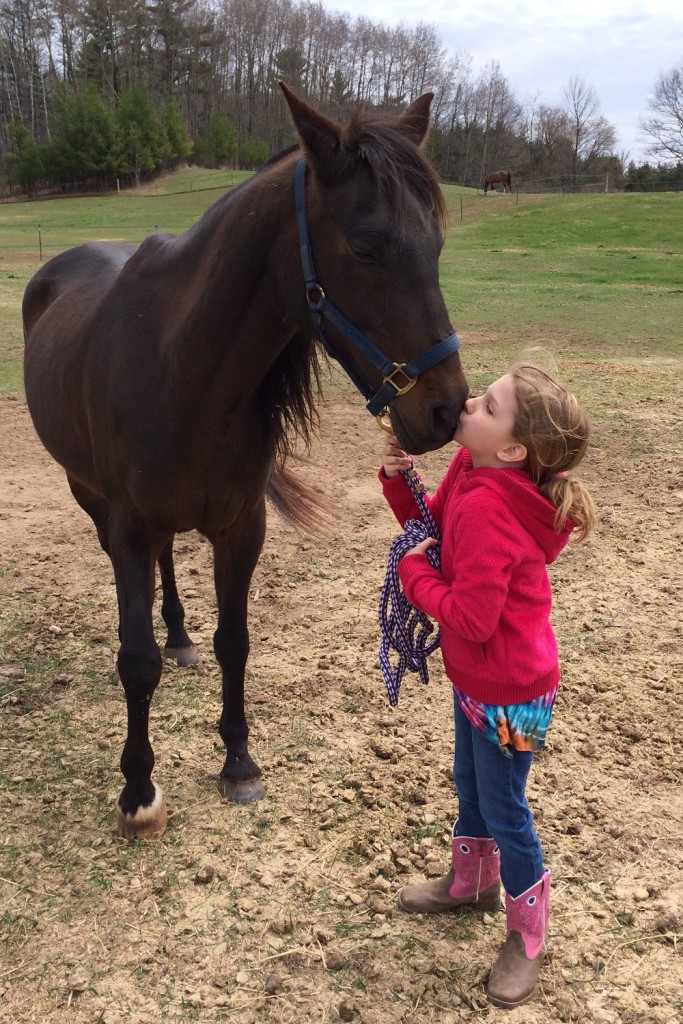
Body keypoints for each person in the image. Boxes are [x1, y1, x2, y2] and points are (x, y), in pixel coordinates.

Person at [378, 357, 595, 1009]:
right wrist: (399, 482)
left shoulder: (494, 516)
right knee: (471, 783)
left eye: (487, 406)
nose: (468, 404)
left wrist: (416, 578)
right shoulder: (473, 468)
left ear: (512, 447)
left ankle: (528, 936)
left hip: (515, 691)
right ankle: (470, 883)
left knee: (506, 809)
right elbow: (433, 526)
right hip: (480, 679)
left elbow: (470, 617)